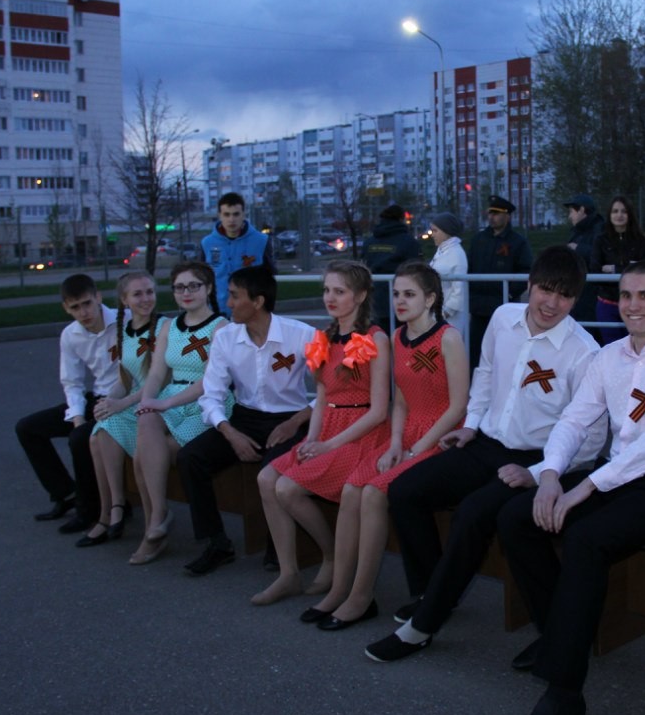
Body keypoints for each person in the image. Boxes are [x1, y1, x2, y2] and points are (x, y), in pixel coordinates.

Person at [495, 260, 645, 715]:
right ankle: (559, 635)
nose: (634, 306)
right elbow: (574, 420)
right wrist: (550, 476)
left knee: (586, 539)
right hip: (614, 476)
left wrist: (584, 489)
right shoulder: (608, 357)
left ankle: (565, 693)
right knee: (517, 517)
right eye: (627, 296)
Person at [365, 246, 605, 664]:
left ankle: (423, 625)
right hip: (487, 443)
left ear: (576, 299)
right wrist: (471, 425)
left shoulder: (584, 352)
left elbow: (591, 436)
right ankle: (432, 590)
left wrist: (537, 473)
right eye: (545, 289)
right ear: (529, 284)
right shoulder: (502, 319)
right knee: (405, 490)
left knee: (474, 513)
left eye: (564, 295)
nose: (551, 303)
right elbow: (487, 374)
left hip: (538, 460)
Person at [304, 262, 470, 630]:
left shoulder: (449, 338)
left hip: (440, 435)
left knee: (375, 494)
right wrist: (396, 442)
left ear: (431, 298)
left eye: (410, 294)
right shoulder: (397, 339)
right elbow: (401, 401)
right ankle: (341, 589)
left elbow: (459, 405)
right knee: (352, 489)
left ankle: (362, 597)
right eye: (396, 294)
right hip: (405, 433)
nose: (400, 301)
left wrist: (416, 448)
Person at [254, 260, 391, 605]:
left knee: (287, 488)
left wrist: (328, 445)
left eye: (340, 291)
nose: (330, 297)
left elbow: (378, 411)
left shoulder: (376, 339)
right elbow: (323, 397)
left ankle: (331, 557)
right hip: (327, 427)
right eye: (327, 290)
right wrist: (312, 439)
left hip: (361, 433)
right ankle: (289, 573)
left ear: (360, 296)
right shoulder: (323, 340)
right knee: (266, 479)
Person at [177, 266, 315, 576]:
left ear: (258, 301)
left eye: (235, 296)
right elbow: (211, 395)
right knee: (190, 458)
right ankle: (216, 543)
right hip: (244, 419)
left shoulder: (302, 335)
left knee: (271, 469)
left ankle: (278, 548)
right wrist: (229, 432)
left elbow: (329, 390)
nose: (227, 303)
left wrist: (296, 422)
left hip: (289, 420)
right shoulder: (226, 338)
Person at [127, 261, 228, 565]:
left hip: (206, 400)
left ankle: (154, 530)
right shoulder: (170, 326)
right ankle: (158, 517)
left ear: (208, 288)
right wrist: (148, 400)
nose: (186, 292)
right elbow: (156, 374)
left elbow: (210, 380)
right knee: (146, 420)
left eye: (194, 285)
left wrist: (164, 404)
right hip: (171, 397)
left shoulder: (222, 326)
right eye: (179, 287)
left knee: (143, 456)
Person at [14, 274, 120, 532]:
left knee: (79, 439)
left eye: (87, 303)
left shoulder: (123, 321)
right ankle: (65, 493)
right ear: (65, 308)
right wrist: (77, 417)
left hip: (120, 399)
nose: (83, 312)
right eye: (75, 307)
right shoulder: (70, 335)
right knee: (28, 428)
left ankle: (90, 511)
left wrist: (82, 426)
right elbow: (72, 382)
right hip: (93, 398)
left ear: (98, 297)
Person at [82, 271, 167, 547]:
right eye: (137, 294)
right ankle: (110, 509)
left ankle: (115, 509)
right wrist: (108, 401)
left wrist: (120, 404)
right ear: (124, 300)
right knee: (97, 434)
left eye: (149, 292)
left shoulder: (165, 328)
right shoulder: (126, 329)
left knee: (106, 429)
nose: (145, 299)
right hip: (134, 399)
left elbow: (159, 381)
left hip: (160, 401)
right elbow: (126, 379)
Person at [467, 195, 533, 368]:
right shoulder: (479, 240)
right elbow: (470, 268)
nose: (491, 217)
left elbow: (525, 271)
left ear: (507, 216)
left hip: (504, 308)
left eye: (496, 213)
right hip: (479, 308)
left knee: (503, 355)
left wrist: (510, 293)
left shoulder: (517, 242)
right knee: (477, 354)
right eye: (490, 213)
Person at [200, 192, 275, 317]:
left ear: (243, 214)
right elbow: (201, 279)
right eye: (226, 214)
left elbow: (270, 277)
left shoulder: (261, 241)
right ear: (219, 215)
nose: (231, 219)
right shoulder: (207, 243)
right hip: (216, 313)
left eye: (236, 214)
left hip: (252, 312)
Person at [592, 195, 645, 344]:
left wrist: (614, 268)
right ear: (609, 214)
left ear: (629, 214)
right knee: (611, 347)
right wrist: (629, 267)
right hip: (607, 303)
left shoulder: (639, 240)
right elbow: (594, 269)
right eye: (615, 211)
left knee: (635, 345)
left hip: (634, 304)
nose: (619, 215)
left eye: (623, 211)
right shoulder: (600, 240)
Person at [362, 203, 421, 331]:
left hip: (374, 298)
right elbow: (417, 269)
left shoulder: (369, 242)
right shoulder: (408, 241)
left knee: (378, 339)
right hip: (401, 299)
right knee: (402, 340)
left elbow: (363, 264)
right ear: (401, 219)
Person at [563, 193, 605, 333]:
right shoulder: (578, 231)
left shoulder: (599, 230)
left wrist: (578, 249)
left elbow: (601, 254)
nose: (570, 216)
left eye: (571, 212)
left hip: (592, 295)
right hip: (580, 292)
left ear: (581, 210)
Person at [427, 212, 469, 338]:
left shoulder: (456, 254)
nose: (432, 235)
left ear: (446, 232)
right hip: (438, 312)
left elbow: (459, 289)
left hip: (449, 317)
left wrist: (447, 311)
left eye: (435, 231)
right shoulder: (441, 251)